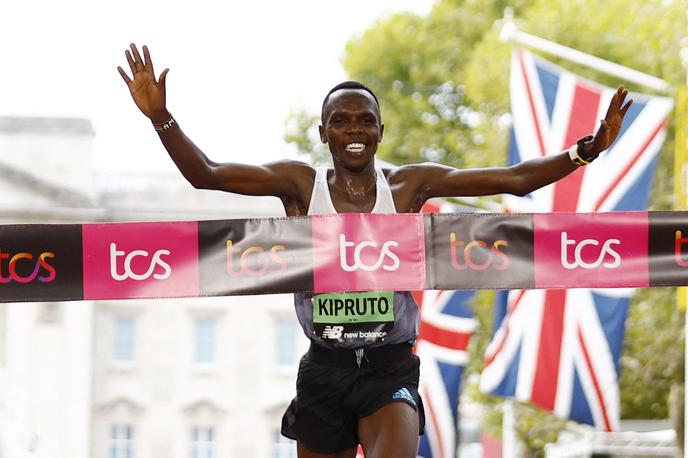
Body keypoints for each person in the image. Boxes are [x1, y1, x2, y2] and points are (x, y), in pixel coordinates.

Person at [118, 43, 632, 458]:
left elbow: (515, 178)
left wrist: (585, 150)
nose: (355, 131)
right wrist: (161, 117)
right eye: (342, 121)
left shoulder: (408, 188)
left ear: (381, 133)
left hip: (390, 365)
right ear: (324, 133)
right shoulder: (299, 186)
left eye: (365, 121)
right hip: (325, 367)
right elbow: (204, 174)